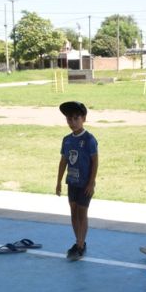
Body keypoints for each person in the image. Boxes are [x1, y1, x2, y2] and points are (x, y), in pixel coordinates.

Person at [55, 101, 98, 261]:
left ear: (83, 118)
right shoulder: (67, 139)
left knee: (82, 213)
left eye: (75, 118)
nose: (72, 122)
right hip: (71, 182)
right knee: (73, 213)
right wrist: (59, 181)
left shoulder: (89, 139)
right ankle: (78, 241)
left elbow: (95, 161)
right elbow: (63, 161)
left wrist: (91, 182)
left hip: (85, 184)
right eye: (69, 119)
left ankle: (81, 244)